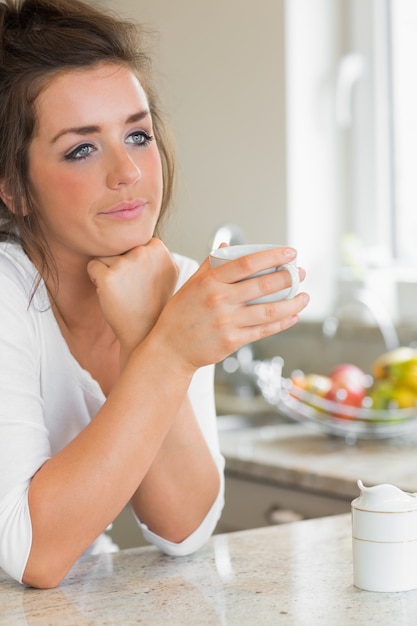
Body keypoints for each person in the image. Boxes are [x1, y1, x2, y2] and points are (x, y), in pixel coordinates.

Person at [0, 0, 309, 589]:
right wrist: (166, 350)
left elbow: (184, 528)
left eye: (137, 134)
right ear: (15, 189)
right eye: (81, 148)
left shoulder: (174, 283)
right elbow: (32, 553)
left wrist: (148, 331)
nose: (129, 172)